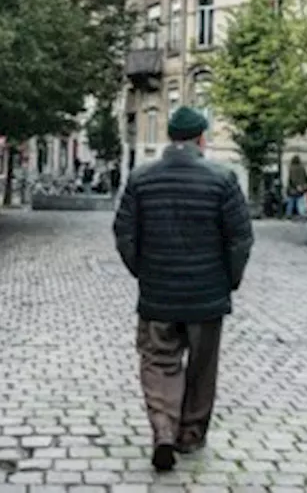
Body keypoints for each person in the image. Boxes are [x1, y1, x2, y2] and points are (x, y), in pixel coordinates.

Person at [112, 106, 254, 473]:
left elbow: (124, 233)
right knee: (202, 368)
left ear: (170, 138)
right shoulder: (223, 179)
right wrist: (229, 280)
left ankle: (163, 430)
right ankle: (189, 435)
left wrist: (142, 272)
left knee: (159, 361)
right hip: (207, 296)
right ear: (201, 139)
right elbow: (240, 238)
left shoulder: (141, 179)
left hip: (158, 294)